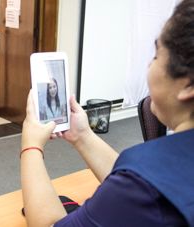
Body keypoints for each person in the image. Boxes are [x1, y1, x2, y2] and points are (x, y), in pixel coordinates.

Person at [20, 0, 194, 226]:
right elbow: (140, 179)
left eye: (156, 55)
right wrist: (83, 136)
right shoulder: (147, 176)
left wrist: (30, 146)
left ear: (188, 85)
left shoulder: (140, 185)